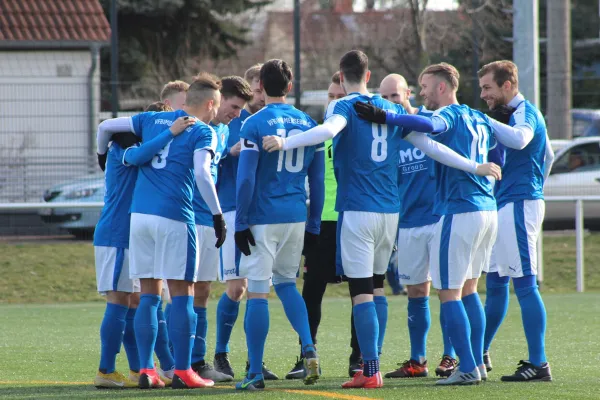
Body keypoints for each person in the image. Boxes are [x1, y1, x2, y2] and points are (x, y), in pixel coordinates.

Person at [262, 52, 500, 389]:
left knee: (361, 294)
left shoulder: (343, 106)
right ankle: (375, 365)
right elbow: (429, 145)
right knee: (377, 289)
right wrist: (475, 166)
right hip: (390, 212)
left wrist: (286, 141)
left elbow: (328, 131)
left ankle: (369, 369)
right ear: (369, 75)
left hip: (358, 211)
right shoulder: (394, 109)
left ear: (342, 79)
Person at [352, 62, 507, 385]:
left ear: (440, 87)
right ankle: (474, 363)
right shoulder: (477, 116)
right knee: (468, 292)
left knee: (448, 293)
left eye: (423, 87)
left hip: (458, 210)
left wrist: (387, 117)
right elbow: (505, 147)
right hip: (486, 209)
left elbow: (432, 133)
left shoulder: (446, 116)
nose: (422, 93)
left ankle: (465, 368)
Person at [96, 73, 227, 389]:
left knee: (148, 296)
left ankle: (146, 371)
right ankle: (183, 371)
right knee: (183, 295)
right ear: (210, 103)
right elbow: (201, 173)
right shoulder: (203, 131)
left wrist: (102, 155)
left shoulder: (151, 119)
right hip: (175, 217)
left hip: (139, 218)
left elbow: (106, 127)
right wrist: (218, 215)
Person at [234, 59, 325, 390]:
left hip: (262, 217)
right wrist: (313, 225)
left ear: (259, 86)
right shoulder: (308, 122)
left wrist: (241, 222)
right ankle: (308, 347)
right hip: (295, 216)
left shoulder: (255, 123)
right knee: (287, 283)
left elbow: (245, 180)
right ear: (290, 86)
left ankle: (255, 373)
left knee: (257, 292)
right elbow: (318, 182)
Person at [93, 117, 191, 388]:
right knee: (119, 300)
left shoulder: (126, 149)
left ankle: (141, 368)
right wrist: (171, 132)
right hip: (117, 235)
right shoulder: (126, 151)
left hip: (128, 235)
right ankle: (106, 370)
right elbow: (112, 132)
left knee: (136, 301)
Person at [377, 73, 458, 379]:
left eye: (394, 96)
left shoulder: (430, 121)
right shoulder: (389, 135)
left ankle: (451, 356)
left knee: (448, 290)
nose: (390, 103)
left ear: (408, 93)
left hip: (438, 219)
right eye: (384, 98)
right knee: (415, 291)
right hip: (409, 223)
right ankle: (417, 360)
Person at [478, 60, 554, 382]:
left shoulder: (525, 112)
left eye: (487, 88)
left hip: (520, 204)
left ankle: (539, 363)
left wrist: (531, 189)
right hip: (507, 203)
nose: (483, 94)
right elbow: (548, 155)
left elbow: (522, 140)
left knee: (524, 284)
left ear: (507, 85)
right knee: (495, 284)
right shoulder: (511, 115)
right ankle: (477, 353)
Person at [285, 71, 363, 380]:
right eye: (330, 97)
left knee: (361, 291)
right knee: (312, 291)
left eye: (338, 96)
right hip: (322, 222)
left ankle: (359, 359)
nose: (334, 102)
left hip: (354, 218)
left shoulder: (360, 133)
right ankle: (307, 354)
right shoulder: (318, 134)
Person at [212, 64, 278, 381]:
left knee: (257, 289)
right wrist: (230, 151)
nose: (260, 93)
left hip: (259, 213)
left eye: (263, 87)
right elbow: (214, 155)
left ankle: (255, 361)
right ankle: (220, 354)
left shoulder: (268, 121)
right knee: (237, 288)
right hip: (231, 210)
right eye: (256, 87)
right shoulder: (233, 121)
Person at [190, 75, 253, 383]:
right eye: (233, 106)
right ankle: (168, 361)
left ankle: (197, 363)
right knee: (176, 292)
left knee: (202, 290)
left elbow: (220, 154)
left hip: (210, 222)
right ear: (216, 99)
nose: (237, 113)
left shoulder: (224, 130)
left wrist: (234, 150)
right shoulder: (189, 126)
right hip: (187, 217)